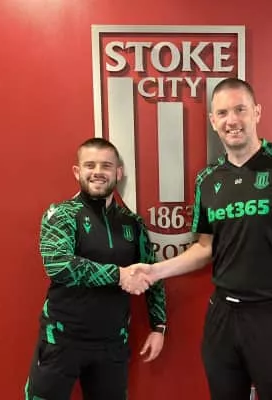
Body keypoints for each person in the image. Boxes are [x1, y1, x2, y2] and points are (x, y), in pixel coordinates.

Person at [125, 78, 272, 400]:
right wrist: (154, 271)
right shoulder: (207, 179)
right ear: (212, 120)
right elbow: (205, 248)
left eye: (240, 110)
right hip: (222, 314)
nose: (232, 120)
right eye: (222, 113)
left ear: (256, 112)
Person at [25, 138, 167, 400]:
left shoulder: (132, 223)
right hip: (61, 339)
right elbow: (58, 265)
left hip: (112, 344)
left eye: (106, 165)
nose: (98, 172)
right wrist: (119, 275)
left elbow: (152, 273)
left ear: (118, 173)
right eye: (90, 165)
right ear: (77, 171)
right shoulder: (62, 214)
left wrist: (158, 326)